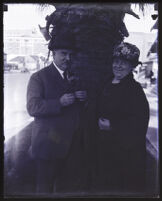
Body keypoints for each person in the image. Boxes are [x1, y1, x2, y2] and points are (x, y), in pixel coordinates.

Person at [26, 32, 87, 194]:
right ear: (53, 54)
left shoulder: (73, 77)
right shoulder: (38, 77)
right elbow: (32, 107)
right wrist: (58, 103)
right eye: (63, 54)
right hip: (48, 146)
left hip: (70, 147)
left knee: (64, 189)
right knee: (44, 190)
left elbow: (75, 109)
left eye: (70, 55)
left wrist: (82, 99)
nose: (68, 58)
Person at [97, 42, 150, 194]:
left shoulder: (134, 90)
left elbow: (139, 123)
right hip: (105, 150)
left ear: (132, 66)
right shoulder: (106, 83)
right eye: (116, 61)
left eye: (124, 63)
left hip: (126, 155)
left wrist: (112, 125)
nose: (118, 66)